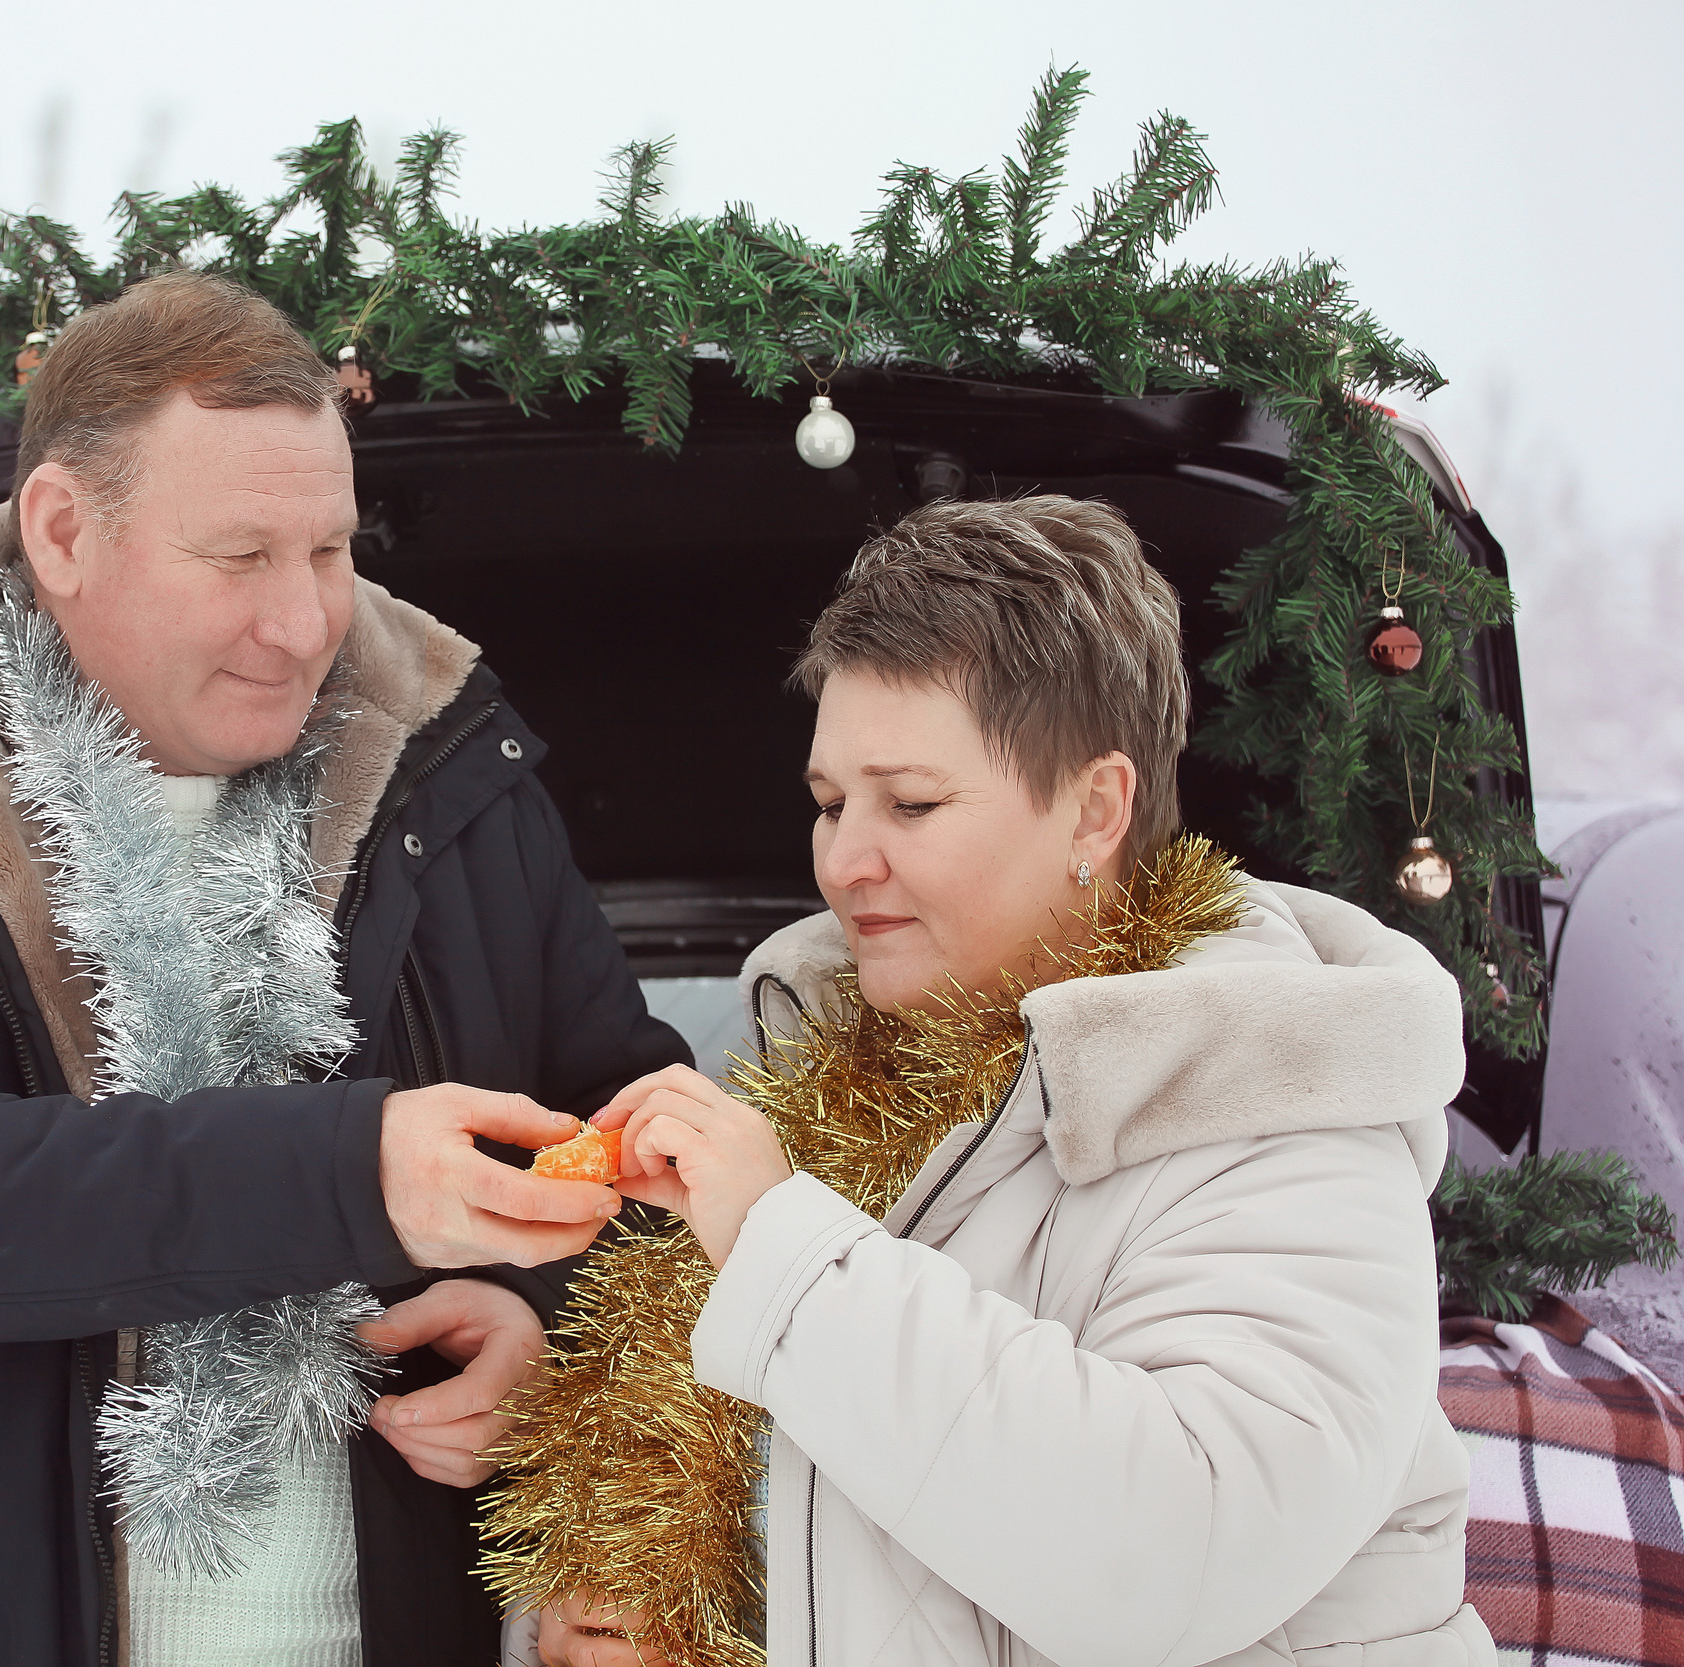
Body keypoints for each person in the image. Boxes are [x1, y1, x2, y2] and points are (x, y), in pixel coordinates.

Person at [0, 270, 689, 1667]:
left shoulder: (456, 782)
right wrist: (349, 1172)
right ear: (65, 530)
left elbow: (644, 1158)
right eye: (241, 556)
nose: (305, 620)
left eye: (329, 549)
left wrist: (547, 1343)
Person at [531, 497, 1491, 1666]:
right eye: (830, 803)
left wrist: (786, 1253)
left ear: (1094, 808)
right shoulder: (833, 1090)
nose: (843, 861)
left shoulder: (1279, 1106)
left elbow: (1171, 1556)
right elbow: (856, 1535)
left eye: (912, 804)